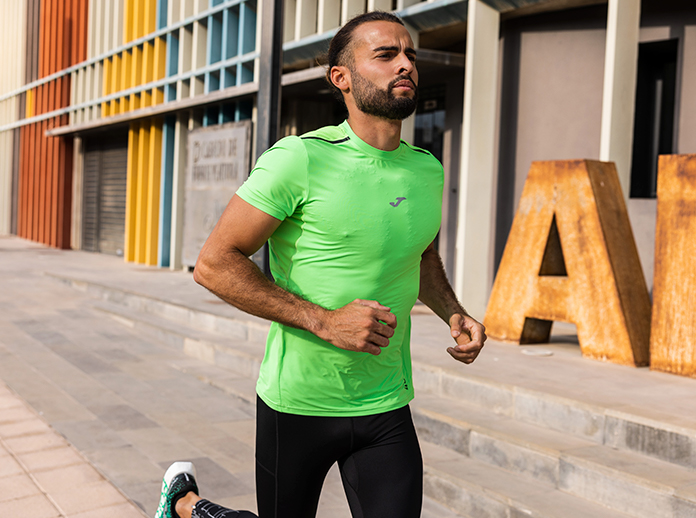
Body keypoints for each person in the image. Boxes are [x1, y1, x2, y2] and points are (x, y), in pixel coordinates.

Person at [153, 10, 486, 518]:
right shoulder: (299, 159)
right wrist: (324, 321)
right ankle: (190, 507)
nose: (406, 65)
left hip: (386, 405)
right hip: (299, 405)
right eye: (386, 54)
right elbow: (214, 264)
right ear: (341, 77)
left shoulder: (427, 169)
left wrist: (453, 311)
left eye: (410, 54)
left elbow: (420, 254)